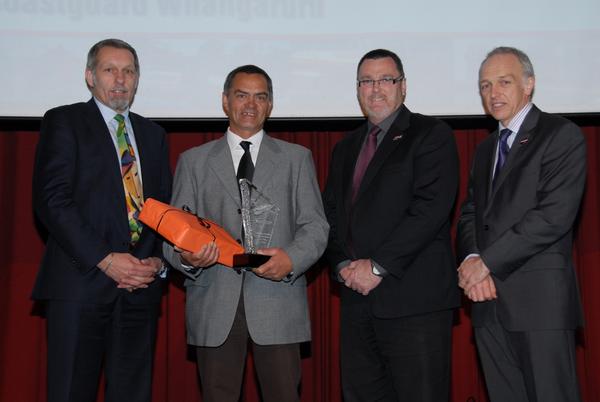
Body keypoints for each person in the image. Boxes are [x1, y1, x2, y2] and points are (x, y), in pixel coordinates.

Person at [162, 64, 329, 402]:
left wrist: (291, 259)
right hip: (214, 302)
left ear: (270, 105)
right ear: (225, 101)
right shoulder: (193, 162)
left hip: (278, 301)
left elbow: (316, 226)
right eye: (241, 95)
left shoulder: (297, 159)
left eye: (260, 96)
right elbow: (172, 235)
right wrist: (187, 257)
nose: (250, 104)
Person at [31, 38, 172, 402]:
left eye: (129, 71)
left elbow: (161, 209)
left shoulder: (154, 135)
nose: (120, 79)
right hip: (81, 286)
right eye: (110, 70)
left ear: (138, 79)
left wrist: (156, 261)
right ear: (90, 76)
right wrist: (107, 260)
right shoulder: (64, 121)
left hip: (139, 290)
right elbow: (52, 200)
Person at [322, 49, 460, 402]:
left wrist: (378, 266)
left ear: (403, 86)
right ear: (357, 89)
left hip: (415, 302)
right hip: (356, 302)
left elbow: (430, 210)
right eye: (366, 81)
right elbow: (331, 216)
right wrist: (340, 265)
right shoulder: (345, 148)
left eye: (386, 79)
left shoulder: (431, 134)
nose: (376, 89)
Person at [457, 46, 585, 402]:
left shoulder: (560, 135)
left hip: (539, 304)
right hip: (487, 303)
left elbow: (552, 216)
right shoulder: (485, 150)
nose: (493, 93)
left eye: (503, 82)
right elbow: (471, 213)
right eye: (485, 85)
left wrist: (487, 263)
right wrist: (470, 260)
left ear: (529, 84)